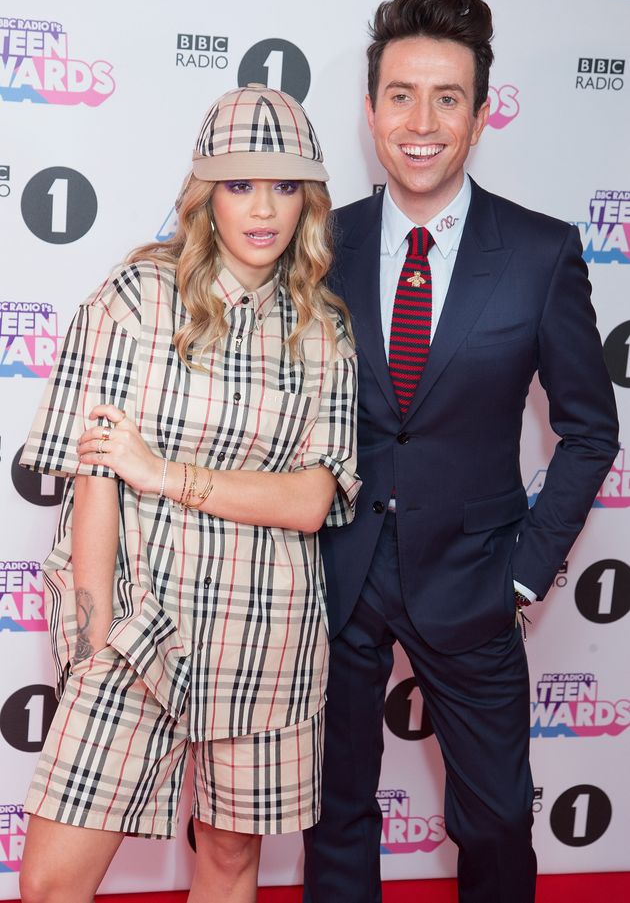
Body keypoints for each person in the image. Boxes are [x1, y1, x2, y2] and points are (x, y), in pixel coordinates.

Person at [303, 0, 618, 903]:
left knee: (493, 822)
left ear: (482, 114)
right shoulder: (325, 242)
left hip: (477, 579)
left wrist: (523, 572)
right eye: (401, 94)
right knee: (336, 811)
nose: (422, 120)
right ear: (370, 112)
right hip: (338, 573)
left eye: (448, 97)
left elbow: (590, 429)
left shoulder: (538, 251)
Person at [18, 83, 360, 903]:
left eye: (284, 185)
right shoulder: (135, 297)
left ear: (309, 198)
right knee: (52, 881)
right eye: (240, 183)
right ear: (206, 193)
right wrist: (95, 636)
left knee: (231, 858)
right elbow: (95, 467)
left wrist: (164, 472)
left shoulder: (323, 328)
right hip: (138, 630)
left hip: (265, 637)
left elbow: (312, 499)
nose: (264, 208)